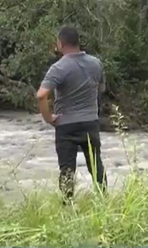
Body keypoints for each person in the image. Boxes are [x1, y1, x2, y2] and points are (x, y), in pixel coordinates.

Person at [36, 26, 107, 200]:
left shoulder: (59, 67)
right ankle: (104, 201)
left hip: (66, 124)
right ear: (77, 42)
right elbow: (100, 88)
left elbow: (41, 95)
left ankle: (68, 206)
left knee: (67, 169)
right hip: (90, 121)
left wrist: (48, 118)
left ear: (60, 43)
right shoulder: (96, 63)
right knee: (96, 164)